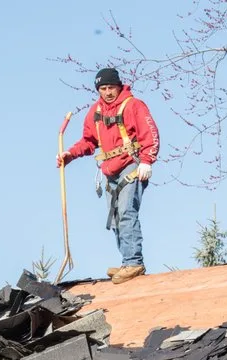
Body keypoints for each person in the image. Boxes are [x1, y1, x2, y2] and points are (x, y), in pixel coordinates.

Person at [57, 67, 159, 284]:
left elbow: (150, 133)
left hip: (131, 164)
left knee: (126, 211)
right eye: (103, 88)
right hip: (109, 169)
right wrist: (70, 155)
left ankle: (134, 262)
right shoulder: (96, 112)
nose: (107, 92)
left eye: (111, 87)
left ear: (119, 86)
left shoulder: (133, 105)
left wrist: (147, 160)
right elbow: (88, 141)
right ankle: (126, 261)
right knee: (114, 218)